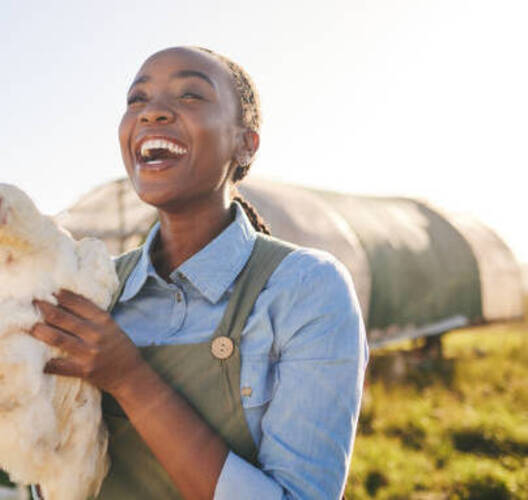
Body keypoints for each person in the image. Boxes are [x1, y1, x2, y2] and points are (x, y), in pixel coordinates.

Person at [30, 46, 369, 499]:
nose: (152, 113)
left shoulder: (305, 288)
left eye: (190, 94)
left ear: (245, 143)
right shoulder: (95, 289)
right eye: (137, 99)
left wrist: (129, 378)